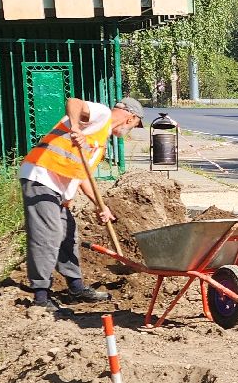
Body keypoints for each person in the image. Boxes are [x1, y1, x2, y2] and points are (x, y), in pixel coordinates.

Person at [18, 96, 145, 310]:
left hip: (57, 187)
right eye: (134, 126)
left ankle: (76, 288)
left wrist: (100, 205)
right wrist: (75, 127)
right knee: (47, 235)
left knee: (68, 235)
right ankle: (41, 297)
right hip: (41, 175)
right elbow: (74, 102)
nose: (130, 131)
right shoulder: (102, 114)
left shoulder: (100, 139)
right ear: (130, 118)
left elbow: (83, 176)